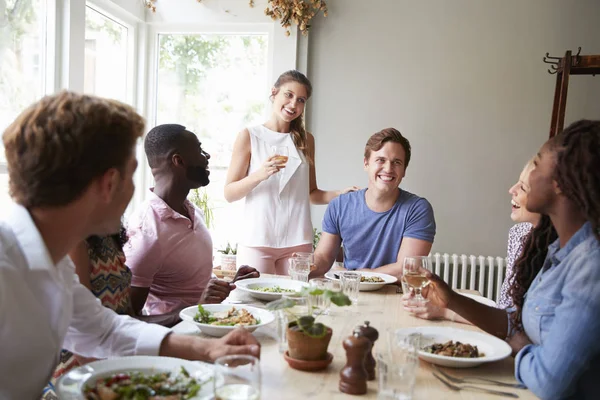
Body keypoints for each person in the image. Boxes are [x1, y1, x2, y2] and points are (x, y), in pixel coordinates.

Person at [0, 92, 260, 399]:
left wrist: (208, 347)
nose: (138, 188)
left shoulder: (54, 261)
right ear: (109, 183)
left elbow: (103, 330)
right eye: (133, 173)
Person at [420, 119, 600, 399]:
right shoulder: (559, 252)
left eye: (537, 164)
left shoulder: (591, 265)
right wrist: (451, 299)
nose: (521, 183)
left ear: (561, 182)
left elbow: (549, 381)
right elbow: (514, 323)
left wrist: (520, 347)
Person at [224, 70, 358, 274]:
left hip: (298, 242)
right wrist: (260, 174)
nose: (293, 104)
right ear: (274, 93)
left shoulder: (306, 140)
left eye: (301, 100)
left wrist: (340, 194)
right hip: (258, 240)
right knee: (257, 302)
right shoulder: (250, 136)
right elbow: (229, 193)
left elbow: (312, 194)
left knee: (295, 304)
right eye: (288, 95)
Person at [125, 124, 259, 319]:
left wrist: (230, 283)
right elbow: (128, 320)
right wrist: (196, 310)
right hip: (177, 337)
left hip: (208, 320)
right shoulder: (146, 232)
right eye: (199, 150)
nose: (207, 157)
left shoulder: (191, 210)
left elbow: (194, 290)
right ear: (178, 161)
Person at [402, 159, 542, 321]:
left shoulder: (561, 251)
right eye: (517, 182)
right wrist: (447, 303)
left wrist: (445, 310)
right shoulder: (519, 233)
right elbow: (506, 307)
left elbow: (513, 321)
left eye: (523, 187)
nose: (512, 190)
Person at [310, 128, 436, 279]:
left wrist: (359, 275)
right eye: (380, 160)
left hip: (396, 294)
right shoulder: (339, 205)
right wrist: (304, 267)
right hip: (352, 291)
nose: (388, 169)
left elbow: (407, 269)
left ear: (404, 170)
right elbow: (324, 258)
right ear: (366, 164)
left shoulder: (418, 209)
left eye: (397, 162)